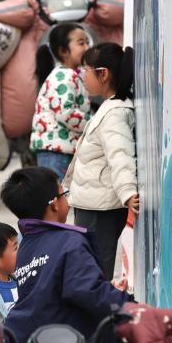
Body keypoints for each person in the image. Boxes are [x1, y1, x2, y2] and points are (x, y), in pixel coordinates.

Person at [0, 166, 132, 343]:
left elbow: (51, 291)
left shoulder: (26, 246)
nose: (67, 200)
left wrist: (107, 289)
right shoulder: (71, 242)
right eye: (64, 194)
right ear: (54, 204)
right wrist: (132, 306)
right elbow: (88, 292)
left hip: (26, 338)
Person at [64, 43, 138, 280]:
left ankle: (97, 304)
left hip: (100, 208)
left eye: (86, 70)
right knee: (89, 267)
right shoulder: (110, 107)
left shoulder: (115, 113)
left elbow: (120, 155)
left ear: (103, 74)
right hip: (92, 203)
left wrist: (128, 191)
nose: (82, 76)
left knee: (94, 271)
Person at [30, 23, 92, 182]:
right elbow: (66, 113)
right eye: (81, 43)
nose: (87, 47)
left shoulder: (74, 74)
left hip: (62, 148)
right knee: (57, 194)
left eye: (87, 42)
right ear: (63, 51)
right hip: (55, 151)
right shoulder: (63, 77)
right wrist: (93, 123)